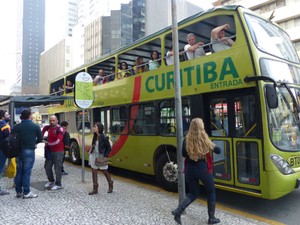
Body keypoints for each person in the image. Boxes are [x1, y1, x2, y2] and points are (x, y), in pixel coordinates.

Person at [172, 118, 221, 225]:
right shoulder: (204, 139)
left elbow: (183, 154)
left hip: (190, 168)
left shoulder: (187, 138)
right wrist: (210, 145)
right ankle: (211, 218)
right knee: (211, 191)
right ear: (201, 126)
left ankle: (178, 211)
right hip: (202, 168)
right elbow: (218, 151)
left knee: (193, 193)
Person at [13, 109, 42, 198]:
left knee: (19, 171)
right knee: (27, 172)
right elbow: (40, 139)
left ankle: (18, 191)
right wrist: (34, 143)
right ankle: (26, 192)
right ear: (29, 116)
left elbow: (12, 138)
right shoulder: (35, 126)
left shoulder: (16, 127)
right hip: (29, 150)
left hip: (18, 151)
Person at [88, 122, 113, 195]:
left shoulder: (103, 137)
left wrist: (105, 155)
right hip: (93, 155)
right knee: (94, 171)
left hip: (101, 156)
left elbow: (109, 147)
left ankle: (110, 184)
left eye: (95, 127)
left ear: (99, 128)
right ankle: (95, 188)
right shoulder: (95, 136)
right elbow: (94, 145)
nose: (93, 128)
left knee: (104, 170)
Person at [42, 115, 65, 190]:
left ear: (57, 121)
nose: (52, 122)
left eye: (53, 120)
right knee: (47, 166)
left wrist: (48, 143)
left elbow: (59, 140)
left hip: (58, 151)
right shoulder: (47, 127)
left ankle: (58, 183)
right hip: (49, 151)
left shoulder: (60, 129)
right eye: (50, 120)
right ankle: (51, 181)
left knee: (57, 167)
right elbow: (40, 134)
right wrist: (41, 138)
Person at [0, 110, 11, 196]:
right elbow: (8, 140)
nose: (9, 116)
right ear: (3, 117)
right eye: (7, 115)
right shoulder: (5, 126)